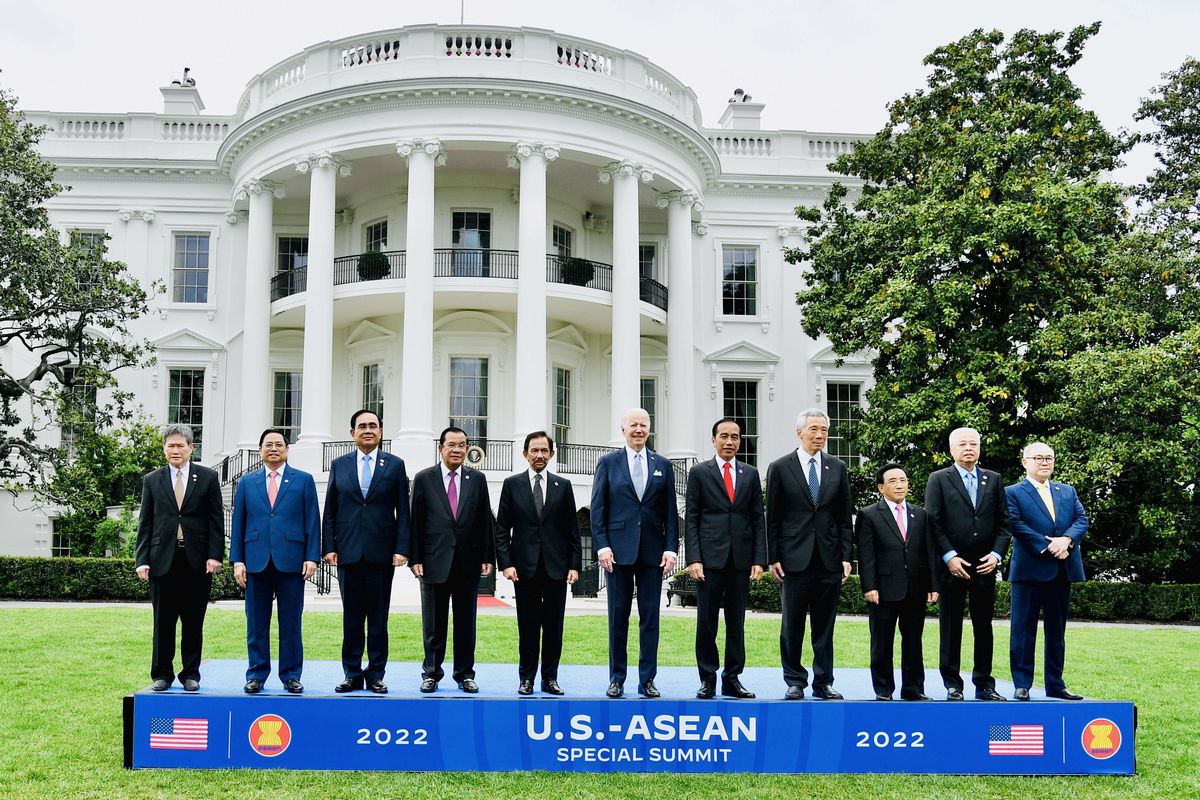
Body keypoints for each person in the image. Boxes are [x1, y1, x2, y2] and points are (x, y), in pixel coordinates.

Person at [591, 407, 679, 698]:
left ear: (649, 429)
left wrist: (671, 549)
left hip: (653, 554)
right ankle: (617, 678)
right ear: (623, 430)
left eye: (643, 425)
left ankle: (647, 680)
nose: (638, 430)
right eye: (633, 425)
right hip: (617, 553)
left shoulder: (662, 465)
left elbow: (670, 511)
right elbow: (598, 509)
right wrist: (602, 545)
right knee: (618, 618)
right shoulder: (608, 463)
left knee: (650, 618)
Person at [766, 408, 853, 700]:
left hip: (828, 558)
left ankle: (823, 681)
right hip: (793, 557)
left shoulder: (837, 467)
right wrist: (773, 556)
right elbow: (773, 517)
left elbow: (843, 516)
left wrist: (846, 557)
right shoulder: (780, 467)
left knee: (824, 625)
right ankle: (794, 679)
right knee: (792, 624)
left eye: (824, 430)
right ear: (799, 432)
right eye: (814, 429)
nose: (819, 435)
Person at [322, 409, 410, 694]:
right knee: (352, 618)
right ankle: (351, 673)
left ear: (381, 432)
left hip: (382, 554)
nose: (368, 430)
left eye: (373, 426)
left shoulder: (395, 465)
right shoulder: (339, 465)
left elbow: (403, 512)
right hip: (347, 553)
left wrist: (401, 549)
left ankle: (375, 674)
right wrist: (329, 547)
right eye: (362, 426)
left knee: (378, 619)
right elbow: (331, 510)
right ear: (352, 433)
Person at [229, 429, 320, 694]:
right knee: (256, 624)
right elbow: (239, 523)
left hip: (292, 562)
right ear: (260, 450)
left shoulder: (303, 480)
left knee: (291, 624)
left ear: (287, 450)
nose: (273, 449)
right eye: (268, 445)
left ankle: (291, 675)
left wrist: (312, 557)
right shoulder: (247, 482)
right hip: (255, 562)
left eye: (278, 444)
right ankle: (256, 674)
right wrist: (237, 560)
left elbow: (312, 521)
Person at [134, 424, 224, 692]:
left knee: (193, 620)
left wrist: (215, 555)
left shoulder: (207, 478)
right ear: (164, 449)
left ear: (190, 448)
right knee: (163, 622)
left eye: (180, 445)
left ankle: (191, 673)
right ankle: (162, 673)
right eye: (170, 445)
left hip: (196, 561)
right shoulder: (152, 480)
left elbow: (215, 520)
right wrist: (142, 559)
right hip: (162, 561)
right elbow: (145, 522)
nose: (175, 450)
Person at [925, 426, 1012, 701]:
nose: (968, 449)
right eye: (962, 444)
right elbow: (933, 523)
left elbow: (1004, 523)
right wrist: (949, 557)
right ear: (951, 450)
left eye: (973, 444)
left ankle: (984, 683)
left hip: (985, 566)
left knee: (983, 627)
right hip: (952, 568)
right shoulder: (938, 479)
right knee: (950, 627)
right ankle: (952, 683)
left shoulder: (993, 479)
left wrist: (997, 555)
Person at [684, 418, 767, 699]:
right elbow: (692, 518)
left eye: (735, 437)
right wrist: (693, 558)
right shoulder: (699, 473)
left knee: (736, 623)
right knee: (706, 623)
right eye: (724, 436)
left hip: (741, 561)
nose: (729, 441)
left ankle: (732, 679)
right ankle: (707, 679)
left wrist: (759, 559)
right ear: (713, 440)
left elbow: (758, 518)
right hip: (709, 560)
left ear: (740, 441)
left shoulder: (750, 474)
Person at [495, 431, 582, 695]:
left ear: (552, 454)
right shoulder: (512, 484)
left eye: (544, 451)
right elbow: (501, 530)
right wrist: (506, 564)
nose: (540, 456)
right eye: (535, 451)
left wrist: (574, 565)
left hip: (556, 568)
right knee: (528, 626)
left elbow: (572, 531)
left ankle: (550, 678)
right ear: (525, 454)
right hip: (524, 570)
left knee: (554, 628)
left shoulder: (563, 485)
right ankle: (527, 679)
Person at [410, 426, 495, 693]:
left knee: (466, 622)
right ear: (441, 448)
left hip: (467, 562)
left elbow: (485, 521)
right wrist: (415, 558)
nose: (457, 450)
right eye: (452, 445)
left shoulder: (477, 479)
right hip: (433, 561)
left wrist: (487, 557)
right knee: (433, 624)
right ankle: (431, 673)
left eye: (462, 445)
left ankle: (464, 674)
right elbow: (415, 522)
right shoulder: (424, 478)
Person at [1006, 442, 1088, 701]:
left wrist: (1066, 540)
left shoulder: (1067, 490)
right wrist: (1048, 545)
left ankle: (1056, 684)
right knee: (1023, 630)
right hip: (1030, 569)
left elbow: (1081, 520)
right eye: (1038, 458)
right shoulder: (1012, 492)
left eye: (1049, 458)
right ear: (1025, 462)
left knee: (1056, 632)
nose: (1044, 462)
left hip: (1063, 569)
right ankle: (1022, 684)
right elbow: (1015, 523)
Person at [856, 462, 939, 701]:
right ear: (881, 487)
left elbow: (928, 551)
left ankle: (914, 689)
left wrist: (933, 585)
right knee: (882, 642)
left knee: (913, 642)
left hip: (915, 588)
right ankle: (883, 690)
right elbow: (866, 553)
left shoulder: (920, 514)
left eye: (903, 480)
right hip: (883, 588)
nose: (899, 485)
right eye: (893, 481)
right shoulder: (869, 514)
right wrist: (869, 586)